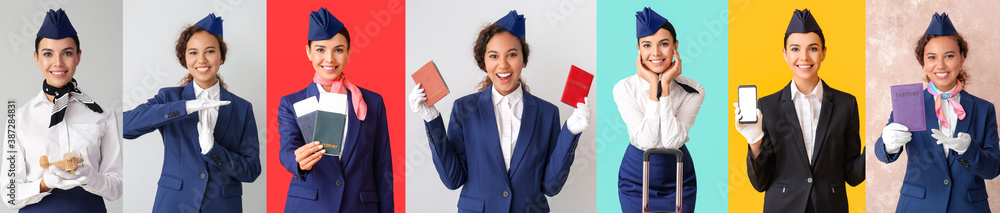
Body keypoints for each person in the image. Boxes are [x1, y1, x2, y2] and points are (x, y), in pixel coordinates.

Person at [408, 10, 591, 213]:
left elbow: (550, 186)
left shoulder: (547, 113)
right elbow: (453, 179)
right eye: (493, 56)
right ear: (484, 62)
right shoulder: (464, 109)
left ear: (523, 59)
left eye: (512, 54)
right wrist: (431, 119)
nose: (503, 65)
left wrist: (571, 132)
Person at [122, 13, 260, 213]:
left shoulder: (242, 108)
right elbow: (125, 126)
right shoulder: (169, 98)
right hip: (173, 204)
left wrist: (215, 151)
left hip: (222, 207)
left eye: (210, 51)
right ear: (184, 59)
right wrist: (183, 107)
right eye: (193, 52)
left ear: (221, 56)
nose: (201, 59)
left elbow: (252, 171)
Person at [733, 8, 865, 212]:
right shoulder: (767, 106)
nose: (804, 57)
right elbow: (760, 184)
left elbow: (853, 175)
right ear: (785, 54)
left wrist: (876, 147)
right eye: (795, 49)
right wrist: (754, 143)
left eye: (812, 48)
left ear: (823, 53)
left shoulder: (846, 104)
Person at [874, 12, 1000, 212]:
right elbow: (882, 153)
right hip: (918, 206)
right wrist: (887, 144)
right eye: (931, 57)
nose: (940, 65)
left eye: (949, 56)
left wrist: (970, 150)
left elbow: (993, 169)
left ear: (962, 58)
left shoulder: (984, 109)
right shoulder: (908, 103)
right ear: (923, 62)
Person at [1, 8, 123, 212]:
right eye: (48, 54)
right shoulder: (18, 119)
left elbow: (117, 188)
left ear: (78, 56)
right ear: (36, 58)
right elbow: (9, 195)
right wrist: (44, 183)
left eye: (67, 53)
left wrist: (91, 177)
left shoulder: (104, 114)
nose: (58, 62)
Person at [277, 7, 393, 213]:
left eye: (338, 50)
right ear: (308, 53)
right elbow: (286, 149)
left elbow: (383, 167)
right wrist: (298, 160)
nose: (329, 59)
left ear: (348, 51)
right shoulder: (291, 103)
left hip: (359, 207)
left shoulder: (372, 102)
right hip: (309, 206)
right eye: (321, 49)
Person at [613, 7, 702, 213]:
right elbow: (647, 141)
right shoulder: (624, 88)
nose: (655, 53)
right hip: (636, 178)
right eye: (647, 45)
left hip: (678, 175)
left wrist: (667, 87)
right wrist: (655, 86)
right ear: (639, 49)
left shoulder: (694, 90)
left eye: (664, 44)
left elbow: (672, 141)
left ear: (675, 46)